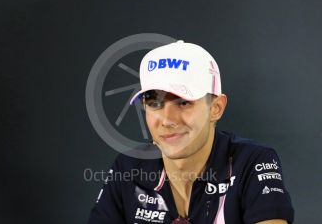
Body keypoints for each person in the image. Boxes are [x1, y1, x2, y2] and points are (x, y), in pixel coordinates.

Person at [87, 40, 294, 223]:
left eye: (184, 102)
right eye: (155, 103)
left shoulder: (252, 162)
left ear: (216, 108)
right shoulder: (129, 166)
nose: (167, 120)